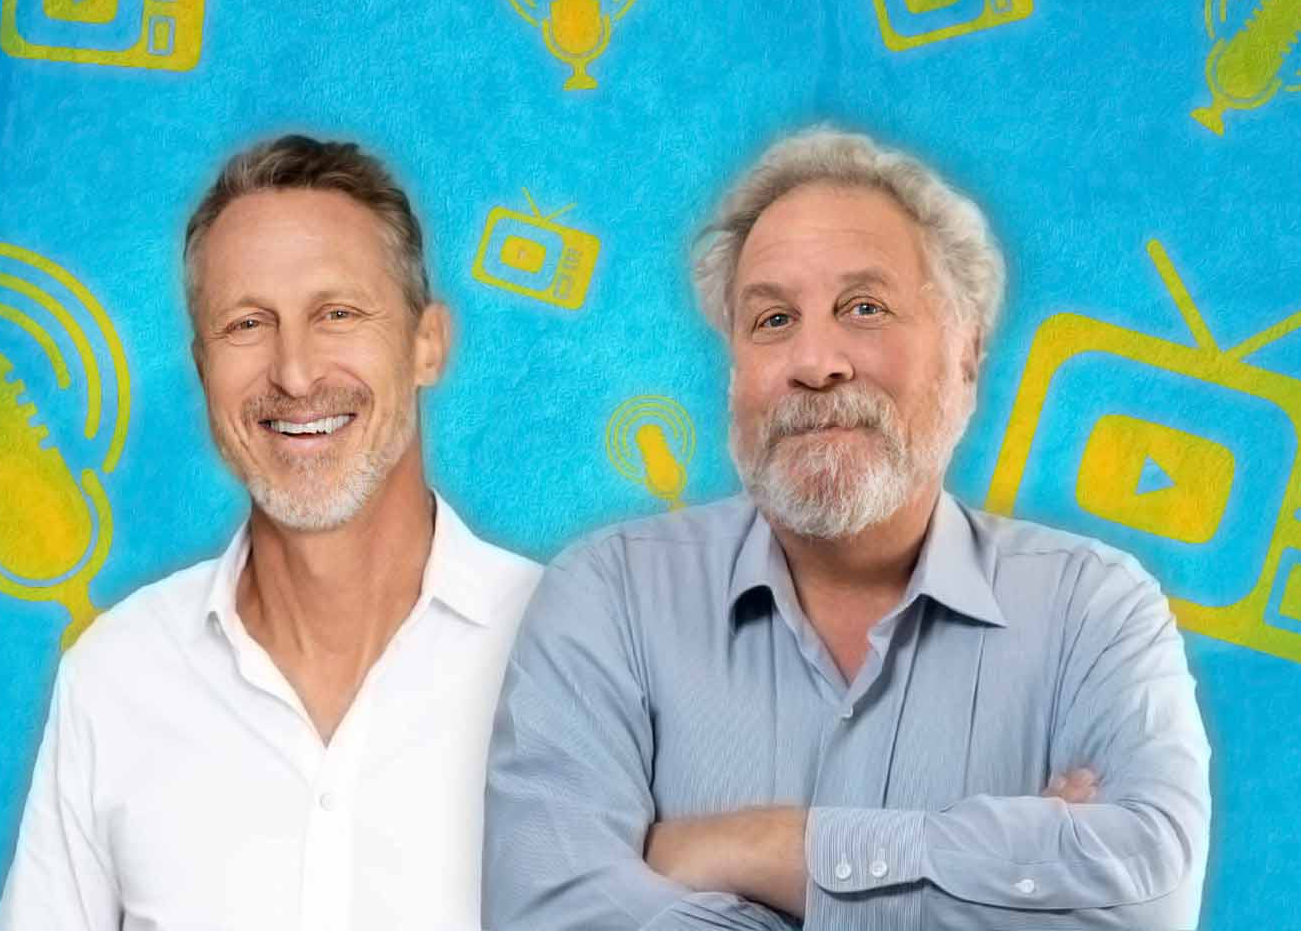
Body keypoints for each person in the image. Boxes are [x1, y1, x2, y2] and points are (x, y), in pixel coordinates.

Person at [484, 126, 1211, 929]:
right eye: (772, 320)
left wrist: (763, 847)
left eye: (864, 308)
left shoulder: (1095, 611)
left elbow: (1148, 904)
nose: (815, 361)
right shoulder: (607, 597)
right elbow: (549, 915)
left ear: (966, 357)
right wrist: (1001, 880)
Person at [0, 135, 540, 930]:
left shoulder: (571, 650)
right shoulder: (115, 676)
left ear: (427, 344)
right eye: (247, 324)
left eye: (337, 314)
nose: (294, 373)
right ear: (201, 366)